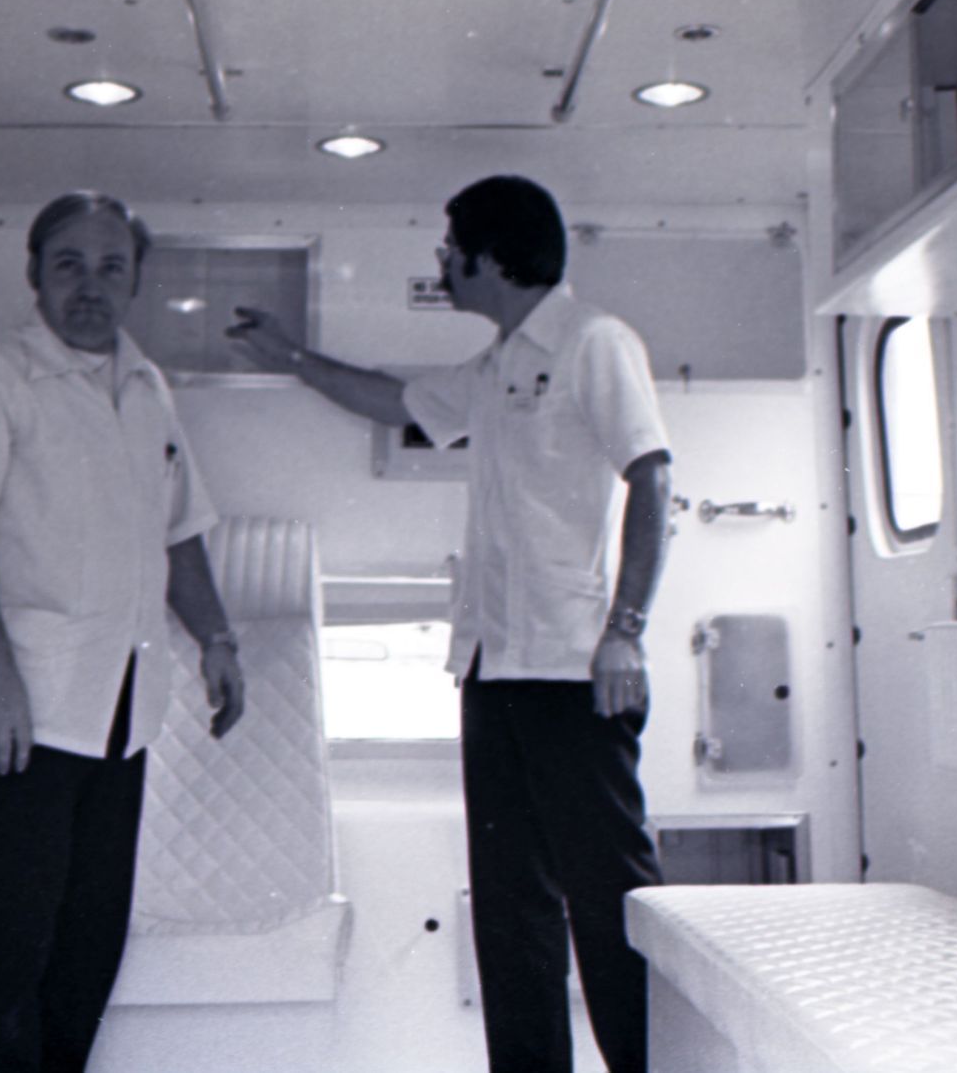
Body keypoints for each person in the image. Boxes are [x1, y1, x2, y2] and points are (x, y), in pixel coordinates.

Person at [228, 174, 671, 1073]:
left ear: (491, 258)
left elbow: (652, 475)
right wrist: (291, 357)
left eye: (450, 248)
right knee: (510, 912)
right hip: (493, 670)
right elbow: (397, 402)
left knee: (609, 904)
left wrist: (626, 628)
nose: (443, 262)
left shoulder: (594, 342)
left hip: (573, 671)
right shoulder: (498, 364)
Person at [0, 190, 245, 1073]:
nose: (90, 286)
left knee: (88, 949)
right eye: (69, 265)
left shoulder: (146, 388)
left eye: (111, 267)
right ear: (35, 275)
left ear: (135, 281)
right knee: (11, 951)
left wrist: (217, 639)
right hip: (14, 712)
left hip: (115, 715)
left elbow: (180, 531)